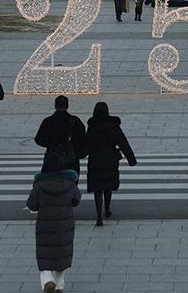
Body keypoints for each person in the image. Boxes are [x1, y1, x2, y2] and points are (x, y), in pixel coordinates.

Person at [27, 150, 80, 293]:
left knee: (45, 256)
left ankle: (48, 281)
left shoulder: (39, 185)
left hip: (45, 226)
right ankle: (59, 285)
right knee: (61, 256)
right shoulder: (70, 183)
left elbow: (32, 204)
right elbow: (76, 200)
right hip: (64, 226)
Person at [84, 102, 137, 226]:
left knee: (97, 188)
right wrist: (131, 158)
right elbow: (123, 142)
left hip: (95, 159)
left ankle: (98, 215)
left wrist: (79, 154)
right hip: (110, 158)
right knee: (107, 185)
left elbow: (87, 143)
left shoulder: (93, 126)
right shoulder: (113, 125)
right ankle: (107, 208)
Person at [35, 96, 88, 172]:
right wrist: (78, 153)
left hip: (52, 158)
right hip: (70, 159)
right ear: (67, 106)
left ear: (55, 106)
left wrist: (52, 144)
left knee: (52, 180)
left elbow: (38, 139)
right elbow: (83, 140)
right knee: (70, 182)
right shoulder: (75, 121)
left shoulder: (48, 121)